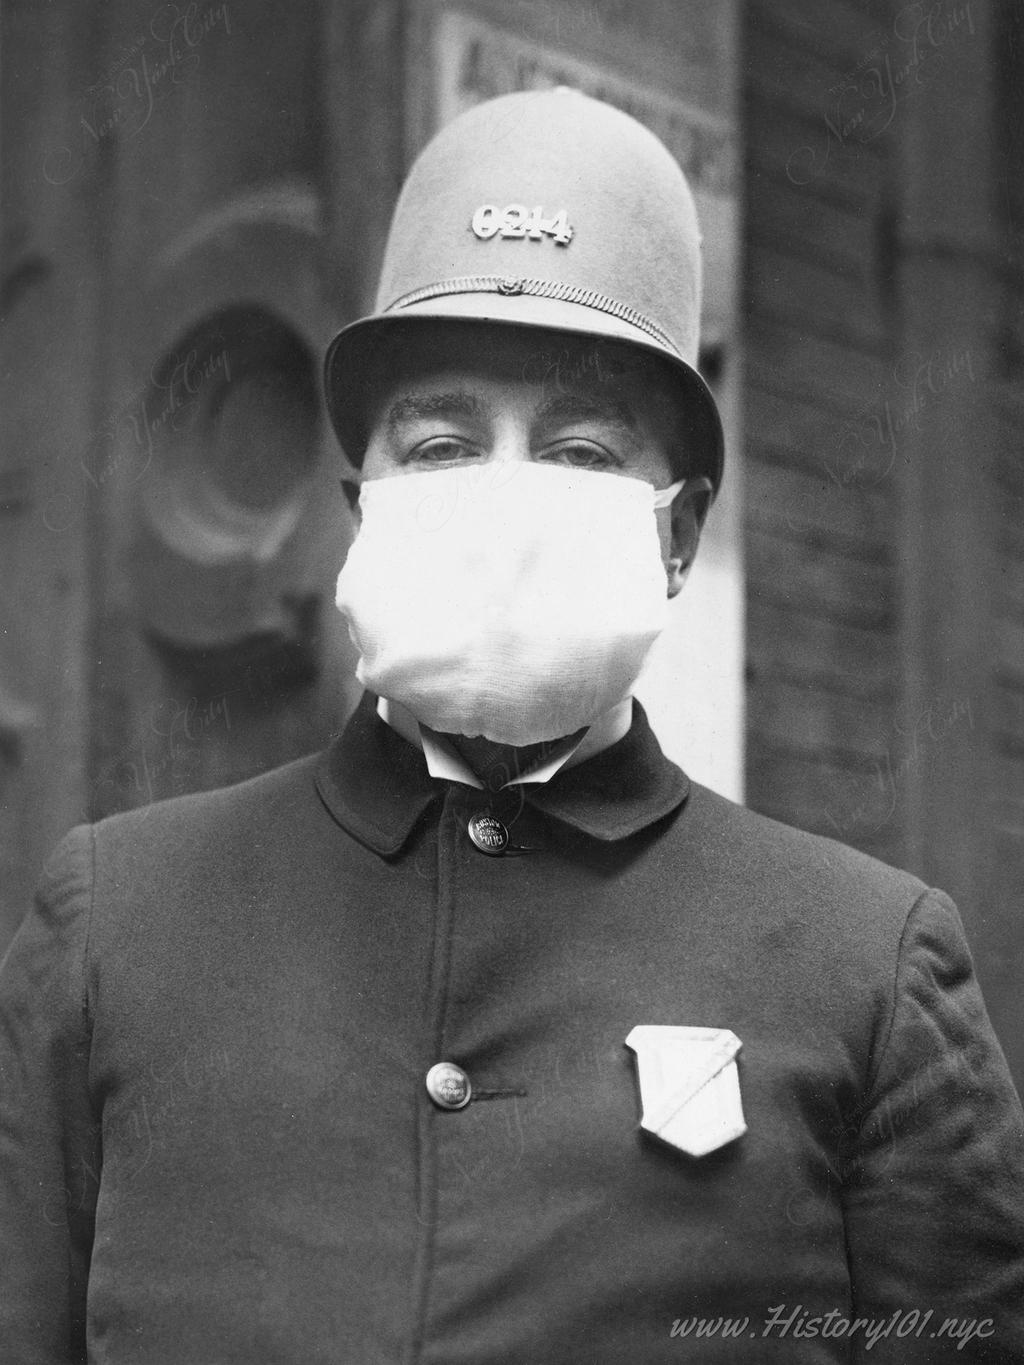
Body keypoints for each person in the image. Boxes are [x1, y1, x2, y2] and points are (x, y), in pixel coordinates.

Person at [2, 89, 1023, 1365]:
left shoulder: (865, 967)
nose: (503, 500)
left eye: (581, 452)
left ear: (677, 534)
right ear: (359, 505)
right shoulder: (117, 924)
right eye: (439, 446)